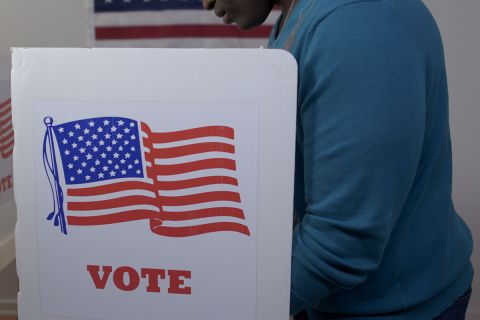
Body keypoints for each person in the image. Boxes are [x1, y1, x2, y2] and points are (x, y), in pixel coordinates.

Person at [203, 0, 474, 319]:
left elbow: (342, 240)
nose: (206, 2)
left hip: (391, 309)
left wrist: (222, 308)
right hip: (334, 299)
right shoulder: (305, 15)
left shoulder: (357, 23)